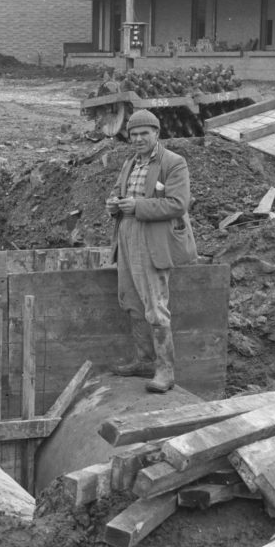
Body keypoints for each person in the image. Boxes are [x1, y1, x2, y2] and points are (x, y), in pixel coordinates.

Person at [105, 109, 198, 392]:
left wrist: (138, 207)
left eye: (144, 133)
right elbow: (120, 192)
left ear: (157, 133)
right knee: (131, 300)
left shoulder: (173, 163)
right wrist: (114, 204)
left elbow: (178, 204)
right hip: (127, 235)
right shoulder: (130, 163)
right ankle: (144, 360)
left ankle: (165, 371)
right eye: (133, 134)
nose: (138, 139)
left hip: (153, 238)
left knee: (156, 306)